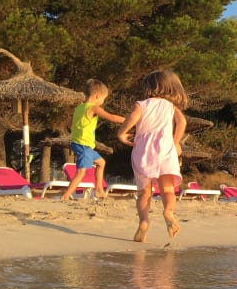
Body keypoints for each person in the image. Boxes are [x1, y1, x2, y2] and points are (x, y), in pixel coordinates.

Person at [117, 70, 188, 244]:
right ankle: (168, 212)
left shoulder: (141, 104)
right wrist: (175, 142)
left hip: (143, 150)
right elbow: (182, 122)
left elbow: (132, 118)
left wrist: (121, 133)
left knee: (144, 192)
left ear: (149, 87)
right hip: (165, 149)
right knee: (168, 190)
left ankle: (143, 222)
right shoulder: (170, 106)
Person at [60, 79, 125, 200]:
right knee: (81, 172)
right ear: (97, 96)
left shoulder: (79, 108)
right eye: (103, 99)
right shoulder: (94, 108)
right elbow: (111, 117)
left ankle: (99, 190)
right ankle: (65, 196)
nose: (102, 102)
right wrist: (130, 120)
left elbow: (71, 124)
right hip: (84, 145)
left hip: (80, 143)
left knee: (101, 163)